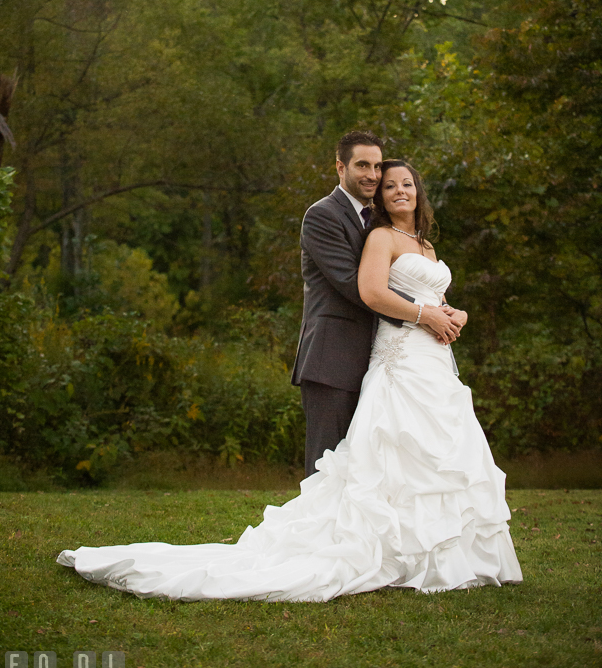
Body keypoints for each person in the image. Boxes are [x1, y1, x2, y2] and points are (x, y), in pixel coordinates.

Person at [57, 157, 522, 597]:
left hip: (432, 362)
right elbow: (372, 292)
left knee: (439, 454)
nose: (400, 190)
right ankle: (387, 552)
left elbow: (432, 293)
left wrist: (451, 312)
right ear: (378, 196)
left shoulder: (426, 245)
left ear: (419, 192)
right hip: (401, 361)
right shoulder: (380, 237)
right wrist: (425, 316)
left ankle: (444, 556)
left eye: (407, 184)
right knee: (391, 453)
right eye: (389, 185)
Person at [291, 131, 460, 477]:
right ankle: (318, 532)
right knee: (328, 466)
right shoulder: (322, 216)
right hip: (333, 359)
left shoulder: (380, 223)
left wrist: (445, 310)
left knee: (370, 467)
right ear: (340, 167)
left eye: (377, 166)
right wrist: (424, 313)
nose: (372, 174)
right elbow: (355, 286)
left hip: (382, 358)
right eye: (362, 165)